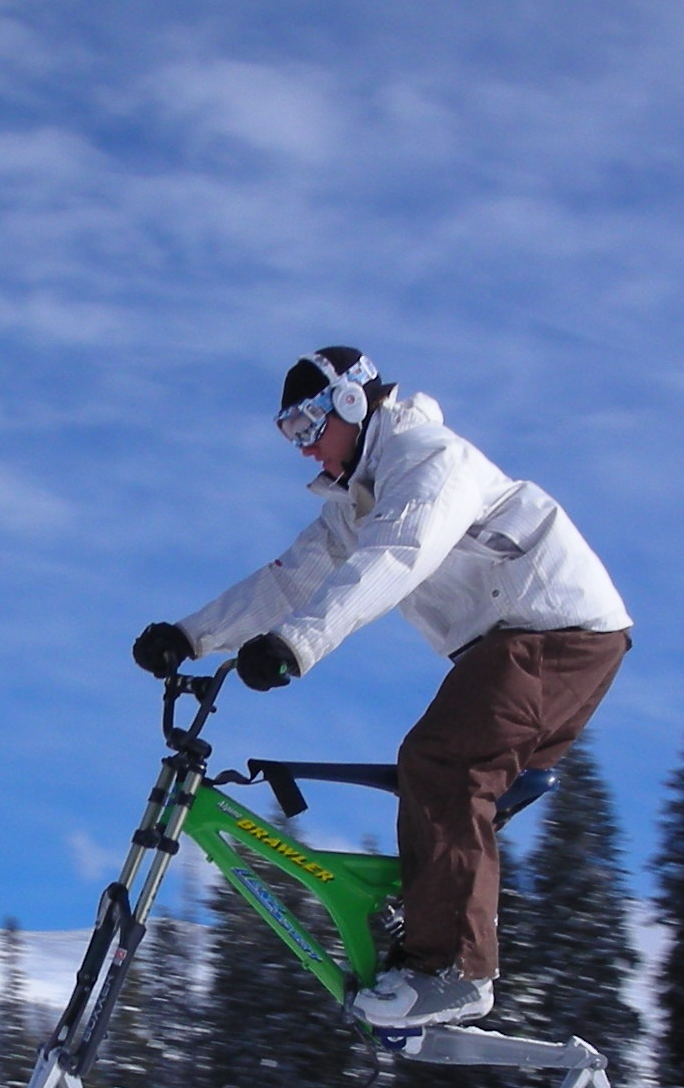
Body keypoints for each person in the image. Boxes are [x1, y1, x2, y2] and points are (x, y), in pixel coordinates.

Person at [131, 347, 632, 1029]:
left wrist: (295, 645)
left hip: (557, 632)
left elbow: (397, 554)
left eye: (307, 427)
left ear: (350, 403)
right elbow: (288, 579)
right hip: (512, 644)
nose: (304, 449)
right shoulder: (356, 500)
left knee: (444, 763)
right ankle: (422, 944)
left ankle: (454, 971)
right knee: (436, 778)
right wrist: (189, 637)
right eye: (289, 435)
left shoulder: (429, 461)